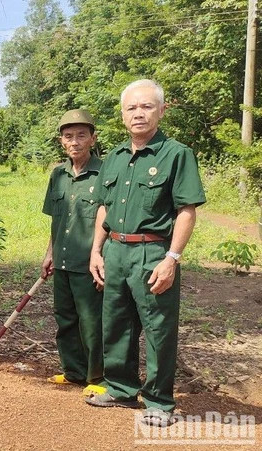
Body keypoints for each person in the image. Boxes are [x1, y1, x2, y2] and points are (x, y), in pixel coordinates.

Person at [85, 79, 206, 427]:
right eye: (131, 108)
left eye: (146, 106)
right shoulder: (115, 158)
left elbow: (187, 210)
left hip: (153, 252)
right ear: (123, 115)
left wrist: (172, 259)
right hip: (116, 251)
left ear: (162, 110)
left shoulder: (176, 154)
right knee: (117, 324)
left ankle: (159, 402)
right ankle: (121, 389)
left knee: (158, 328)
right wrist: (96, 250)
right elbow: (105, 209)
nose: (138, 113)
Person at [41, 109, 105, 397]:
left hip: (89, 263)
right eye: (69, 136)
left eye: (81, 135)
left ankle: (97, 377)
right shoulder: (58, 175)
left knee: (91, 322)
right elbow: (56, 218)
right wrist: (49, 253)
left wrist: (98, 254)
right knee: (65, 318)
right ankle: (73, 372)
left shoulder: (105, 173)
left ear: (93, 138)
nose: (75, 141)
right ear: (61, 141)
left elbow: (109, 219)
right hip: (63, 261)